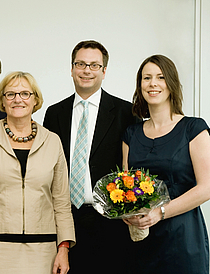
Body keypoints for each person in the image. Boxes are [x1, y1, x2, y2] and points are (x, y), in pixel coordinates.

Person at [0, 71, 75, 274]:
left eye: (25, 94)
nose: (18, 99)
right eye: (10, 94)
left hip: (43, 250)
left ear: (35, 99)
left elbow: (61, 201)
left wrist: (63, 248)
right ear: (2, 100)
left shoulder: (52, 141)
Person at [43, 40, 139, 273]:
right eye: (81, 64)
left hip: (110, 223)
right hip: (65, 221)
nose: (86, 70)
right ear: (72, 68)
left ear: (104, 71)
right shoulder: (55, 113)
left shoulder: (126, 113)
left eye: (94, 65)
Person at [122, 54, 210, 273]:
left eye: (160, 77)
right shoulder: (131, 134)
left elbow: (207, 187)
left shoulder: (194, 128)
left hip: (183, 239)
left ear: (171, 84)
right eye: (146, 78)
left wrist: (159, 213)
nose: (153, 83)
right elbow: (124, 188)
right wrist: (127, 215)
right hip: (142, 241)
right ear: (140, 85)